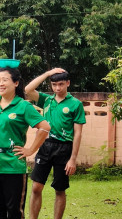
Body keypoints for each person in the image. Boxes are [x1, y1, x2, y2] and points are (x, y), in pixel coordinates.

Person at [0, 66, 51, 219]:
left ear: (16, 83)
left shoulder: (24, 106)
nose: (0, 83)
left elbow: (45, 127)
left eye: (5, 80)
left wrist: (30, 150)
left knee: (15, 212)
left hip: (14, 167)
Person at [26, 68, 86, 219]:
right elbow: (28, 89)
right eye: (54, 85)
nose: (57, 88)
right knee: (36, 187)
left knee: (60, 189)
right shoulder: (46, 100)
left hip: (64, 148)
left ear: (68, 83)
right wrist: (47, 73)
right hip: (45, 146)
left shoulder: (75, 104)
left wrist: (73, 159)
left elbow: (78, 133)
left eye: (61, 84)